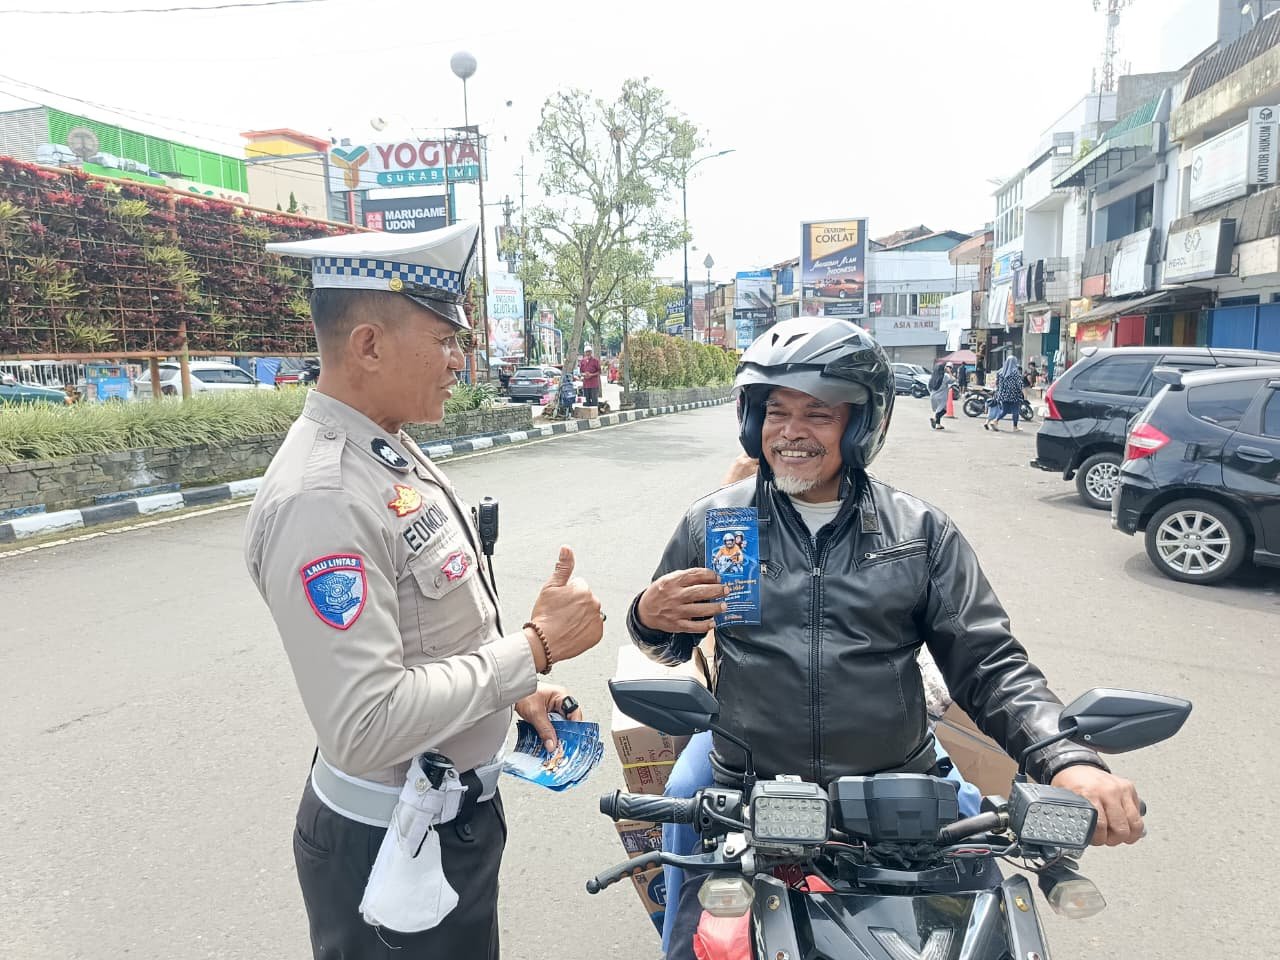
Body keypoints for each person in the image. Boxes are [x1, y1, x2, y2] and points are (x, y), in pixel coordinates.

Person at [626, 317, 1144, 960]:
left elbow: (989, 662)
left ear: (863, 423)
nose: (790, 432)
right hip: (748, 782)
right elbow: (670, 645)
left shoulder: (920, 532)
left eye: (817, 413)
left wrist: (1067, 758)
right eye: (776, 411)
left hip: (898, 785)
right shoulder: (716, 521)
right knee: (687, 852)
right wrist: (648, 617)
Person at [244, 222, 605, 959]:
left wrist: (514, 694)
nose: (458, 361)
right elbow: (367, 722)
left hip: (442, 824)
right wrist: (531, 651)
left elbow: (428, 635)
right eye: (444, 340)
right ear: (369, 346)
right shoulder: (326, 496)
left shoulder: (389, 448)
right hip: (391, 847)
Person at [985, 354, 1027, 432]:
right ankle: (1015, 427)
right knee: (1015, 411)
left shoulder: (1000, 372)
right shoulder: (1016, 373)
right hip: (1014, 395)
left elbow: (997, 383)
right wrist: (1025, 395)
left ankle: (995, 421)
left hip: (1002, 395)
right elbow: (1020, 385)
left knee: (1005, 410)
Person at [928, 362, 956, 430]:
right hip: (941, 397)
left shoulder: (933, 376)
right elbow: (953, 380)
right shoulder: (945, 376)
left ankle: (938, 424)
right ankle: (935, 419)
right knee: (943, 410)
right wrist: (949, 372)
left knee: (938, 410)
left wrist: (931, 393)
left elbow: (928, 386)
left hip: (933, 396)